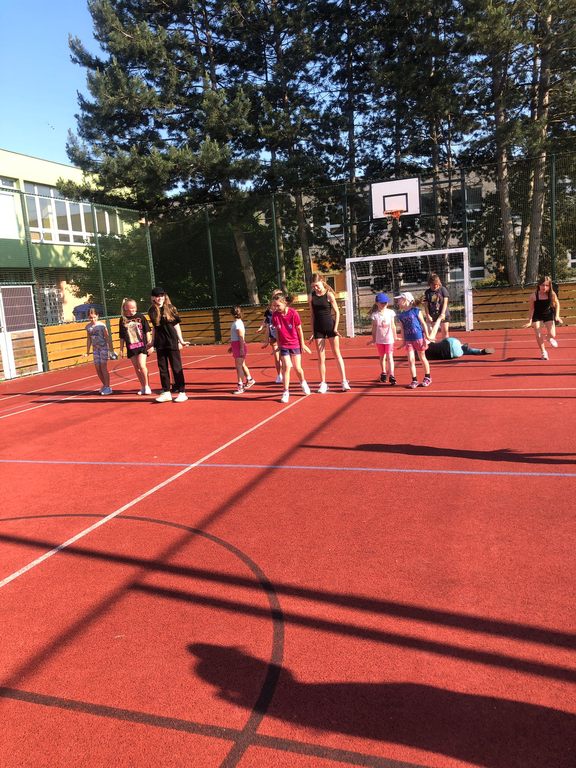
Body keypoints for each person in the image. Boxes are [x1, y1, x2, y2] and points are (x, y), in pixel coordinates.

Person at [308, 273, 350, 392]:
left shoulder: (329, 294)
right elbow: (312, 315)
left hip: (330, 327)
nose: (315, 288)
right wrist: (312, 332)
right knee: (321, 357)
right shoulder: (311, 296)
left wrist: (335, 328)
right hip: (318, 329)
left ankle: (344, 381)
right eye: (313, 286)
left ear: (322, 281)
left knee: (336, 354)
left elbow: (337, 312)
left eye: (317, 285)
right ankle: (323, 383)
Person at [148, 286, 189, 402]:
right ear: (153, 298)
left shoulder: (171, 308)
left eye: (162, 295)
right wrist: (152, 341)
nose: (160, 298)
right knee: (163, 368)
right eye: (157, 296)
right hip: (160, 343)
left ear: (164, 296)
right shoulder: (151, 310)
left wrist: (181, 340)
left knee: (176, 367)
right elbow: (155, 327)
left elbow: (176, 325)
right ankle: (166, 392)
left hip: (172, 342)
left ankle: (182, 392)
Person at [271, 294, 311, 403]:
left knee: (297, 368)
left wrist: (302, 344)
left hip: (295, 344)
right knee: (287, 367)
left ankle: (303, 382)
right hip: (284, 345)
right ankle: (285, 392)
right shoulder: (275, 315)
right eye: (274, 306)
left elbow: (299, 329)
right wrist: (279, 345)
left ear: (284, 303)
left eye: (278, 305)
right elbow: (277, 331)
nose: (276, 308)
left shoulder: (293, 313)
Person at [395, 292, 432, 388]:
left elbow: (423, 323)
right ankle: (414, 380)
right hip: (409, 340)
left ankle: (427, 377)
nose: (398, 302)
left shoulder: (416, 311)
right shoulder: (401, 316)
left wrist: (427, 336)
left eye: (399, 300)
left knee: (422, 357)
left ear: (406, 300)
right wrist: (403, 342)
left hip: (419, 338)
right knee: (411, 360)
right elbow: (402, 329)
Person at [523, 275, 563, 360]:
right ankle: (543, 352)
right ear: (539, 285)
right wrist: (530, 321)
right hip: (537, 315)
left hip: (548, 314)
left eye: (547, 285)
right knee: (538, 334)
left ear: (550, 286)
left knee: (552, 334)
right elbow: (531, 309)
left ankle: (548, 338)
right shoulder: (533, 296)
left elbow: (557, 304)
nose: (544, 287)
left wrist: (557, 316)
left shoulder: (552, 294)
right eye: (542, 285)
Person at [118, 298, 152, 395]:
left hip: (142, 346)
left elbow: (147, 331)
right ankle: (142, 386)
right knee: (136, 368)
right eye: (129, 309)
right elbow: (122, 336)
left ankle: (147, 386)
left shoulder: (140, 317)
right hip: (131, 347)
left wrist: (150, 344)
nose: (132, 310)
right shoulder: (123, 319)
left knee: (142, 365)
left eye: (133, 308)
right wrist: (121, 349)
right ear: (125, 308)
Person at [367, 292, 397, 385]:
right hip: (379, 340)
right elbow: (374, 328)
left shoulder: (390, 313)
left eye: (385, 302)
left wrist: (395, 336)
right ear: (377, 303)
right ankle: (383, 372)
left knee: (389, 356)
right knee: (382, 356)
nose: (384, 304)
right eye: (382, 303)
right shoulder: (375, 315)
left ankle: (392, 374)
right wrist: (373, 339)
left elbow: (393, 325)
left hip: (389, 339)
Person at [85, 307, 115, 395]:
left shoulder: (102, 325)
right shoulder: (88, 327)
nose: (93, 319)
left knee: (103, 367)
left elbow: (107, 337)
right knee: (97, 368)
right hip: (95, 349)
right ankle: (104, 385)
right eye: (91, 317)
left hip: (103, 348)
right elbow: (89, 339)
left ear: (97, 316)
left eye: (94, 317)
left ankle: (108, 387)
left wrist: (110, 350)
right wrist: (87, 351)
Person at [229, 306, 256, 394]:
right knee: (242, 365)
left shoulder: (238, 324)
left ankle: (240, 386)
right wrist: (232, 347)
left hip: (239, 346)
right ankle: (250, 379)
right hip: (236, 345)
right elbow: (236, 337)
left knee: (239, 366)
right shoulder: (236, 323)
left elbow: (241, 337)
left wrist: (241, 348)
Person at [258, 289, 283, 384]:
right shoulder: (269, 311)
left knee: (284, 357)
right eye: (276, 295)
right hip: (273, 334)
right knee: (277, 357)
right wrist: (262, 327)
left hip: (283, 335)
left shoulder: (283, 309)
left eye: (279, 295)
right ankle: (279, 375)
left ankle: (285, 372)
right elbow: (266, 321)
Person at [424, 273, 450, 339]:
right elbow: (426, 305)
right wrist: (428, 315)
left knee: (445, 332)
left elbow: (445, 302)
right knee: (431, 332)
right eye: (433, 285)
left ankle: (446, 344)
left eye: (437, 284)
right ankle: (433, 344)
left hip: (443, 313)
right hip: (433, 314)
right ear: (430, 284)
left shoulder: (443, 289)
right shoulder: (427, 292)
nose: (435, 286)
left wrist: (443, 313)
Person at [426, 337, 495, 360]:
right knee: (446, 340)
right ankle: (480, 351)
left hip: (452, 355)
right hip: (452, 343)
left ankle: (479, 351)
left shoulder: (424, 356)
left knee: (464, 352)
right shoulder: (425, 343)